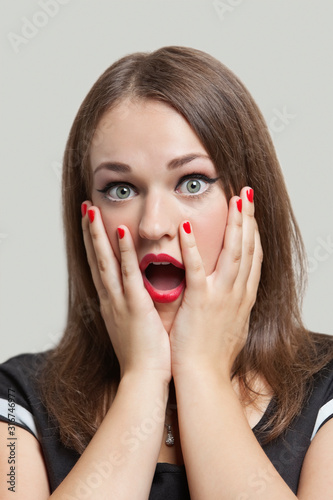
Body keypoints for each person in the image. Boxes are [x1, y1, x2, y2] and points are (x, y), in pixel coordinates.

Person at [0, 46, 332, 500]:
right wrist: (143, 377)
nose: (153, 226)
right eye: (120, 188)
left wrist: (201, 372)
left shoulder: (326, 385)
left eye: (192, 183)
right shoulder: (16, 400)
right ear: (86, 214)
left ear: (251, 203)